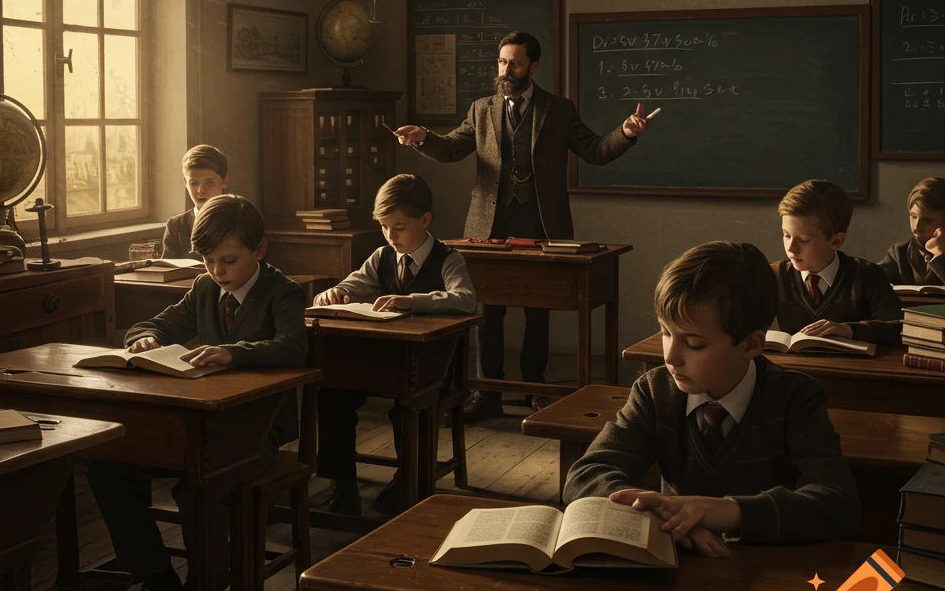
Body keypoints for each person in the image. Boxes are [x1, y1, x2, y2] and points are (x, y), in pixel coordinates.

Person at [393, 30, 654, 420]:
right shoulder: (482, 109)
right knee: (487, 309)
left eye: (514, 62)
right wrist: (422, 138)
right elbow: (451, 149)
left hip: (541, 223)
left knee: (539, 309)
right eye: (501, 61)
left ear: (533, 66)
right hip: (489, 223)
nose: (506, 69)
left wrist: (627, 133)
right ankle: (489, 395)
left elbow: (596, 151)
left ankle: (537, 388)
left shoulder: (558, 109)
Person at [86, 194, 307, 591]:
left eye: (228, 261)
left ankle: (209, 580)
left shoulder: (284, 291)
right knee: (108, 471)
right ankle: (156, 579)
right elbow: (152, 324)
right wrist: (143, 339)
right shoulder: (205, 288)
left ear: (258, 250)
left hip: (258, 427)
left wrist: (233, 352)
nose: (217, 272)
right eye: (208, 261)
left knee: (197, 485)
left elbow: (294, 347)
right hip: (201, 422)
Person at [564, 241, 860, 549]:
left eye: (694, 344)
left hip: (769, 571)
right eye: (666, 333)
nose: (671, 357)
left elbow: (837, 505)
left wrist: (729, 512)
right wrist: (660, 517)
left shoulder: (796, 398)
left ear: (751, 346)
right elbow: (586, 474)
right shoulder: (655, 392)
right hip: (680, 562)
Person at [314, 174, 475, 516]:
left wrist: (411, 301)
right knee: (330, 395)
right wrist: (335, 293)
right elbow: (351, 285)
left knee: (409, 406)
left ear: (425, 220)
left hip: (434, 366)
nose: (391, 235)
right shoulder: (382, 256)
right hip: (384, 362)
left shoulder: (449, 258)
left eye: (399, 227)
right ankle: (342, 486)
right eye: (385, 227)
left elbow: (464, 300)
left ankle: (408, 481)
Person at [773, 179, 902, 344]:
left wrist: (848, 329)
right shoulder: (775, 276)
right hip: (793, 367)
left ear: (836, 241)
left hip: (854, 368)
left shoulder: (868, 275)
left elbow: (899, 326)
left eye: (804, 240)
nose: (791, 248)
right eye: (786, 235)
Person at [161, 144, 230, 259]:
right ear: (185, 182)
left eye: (209, 183)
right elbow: (167, 270)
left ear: (225, 181)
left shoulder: (239, 220)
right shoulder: (176, 225)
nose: (201, 191)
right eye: (194, 183)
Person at [878, 176, 945, 286]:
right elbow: (872, 280)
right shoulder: (899, 252)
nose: (916, 225)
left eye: (927, 220)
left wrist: (940, 255)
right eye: (913, 216)